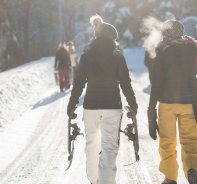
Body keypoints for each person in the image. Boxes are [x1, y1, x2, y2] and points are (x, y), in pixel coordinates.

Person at [67, 15, 137, 184]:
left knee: (91, 145)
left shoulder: (85, 56)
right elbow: (125, 83)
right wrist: (133, 104)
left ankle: (93, 180)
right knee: (109, 148)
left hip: (90, 107)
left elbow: (78, 83)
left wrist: (72, 104)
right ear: (113, 38)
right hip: (112, 106)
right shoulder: (117, 56)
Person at [147, 20, 197, 184]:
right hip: (190, 102)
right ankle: (193, 171)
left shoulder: (162, 49)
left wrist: (151, 109)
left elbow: (157, 81)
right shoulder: (193, 47)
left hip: (167, 103)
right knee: (191, 141)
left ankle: (170, 178)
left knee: (167, 141)